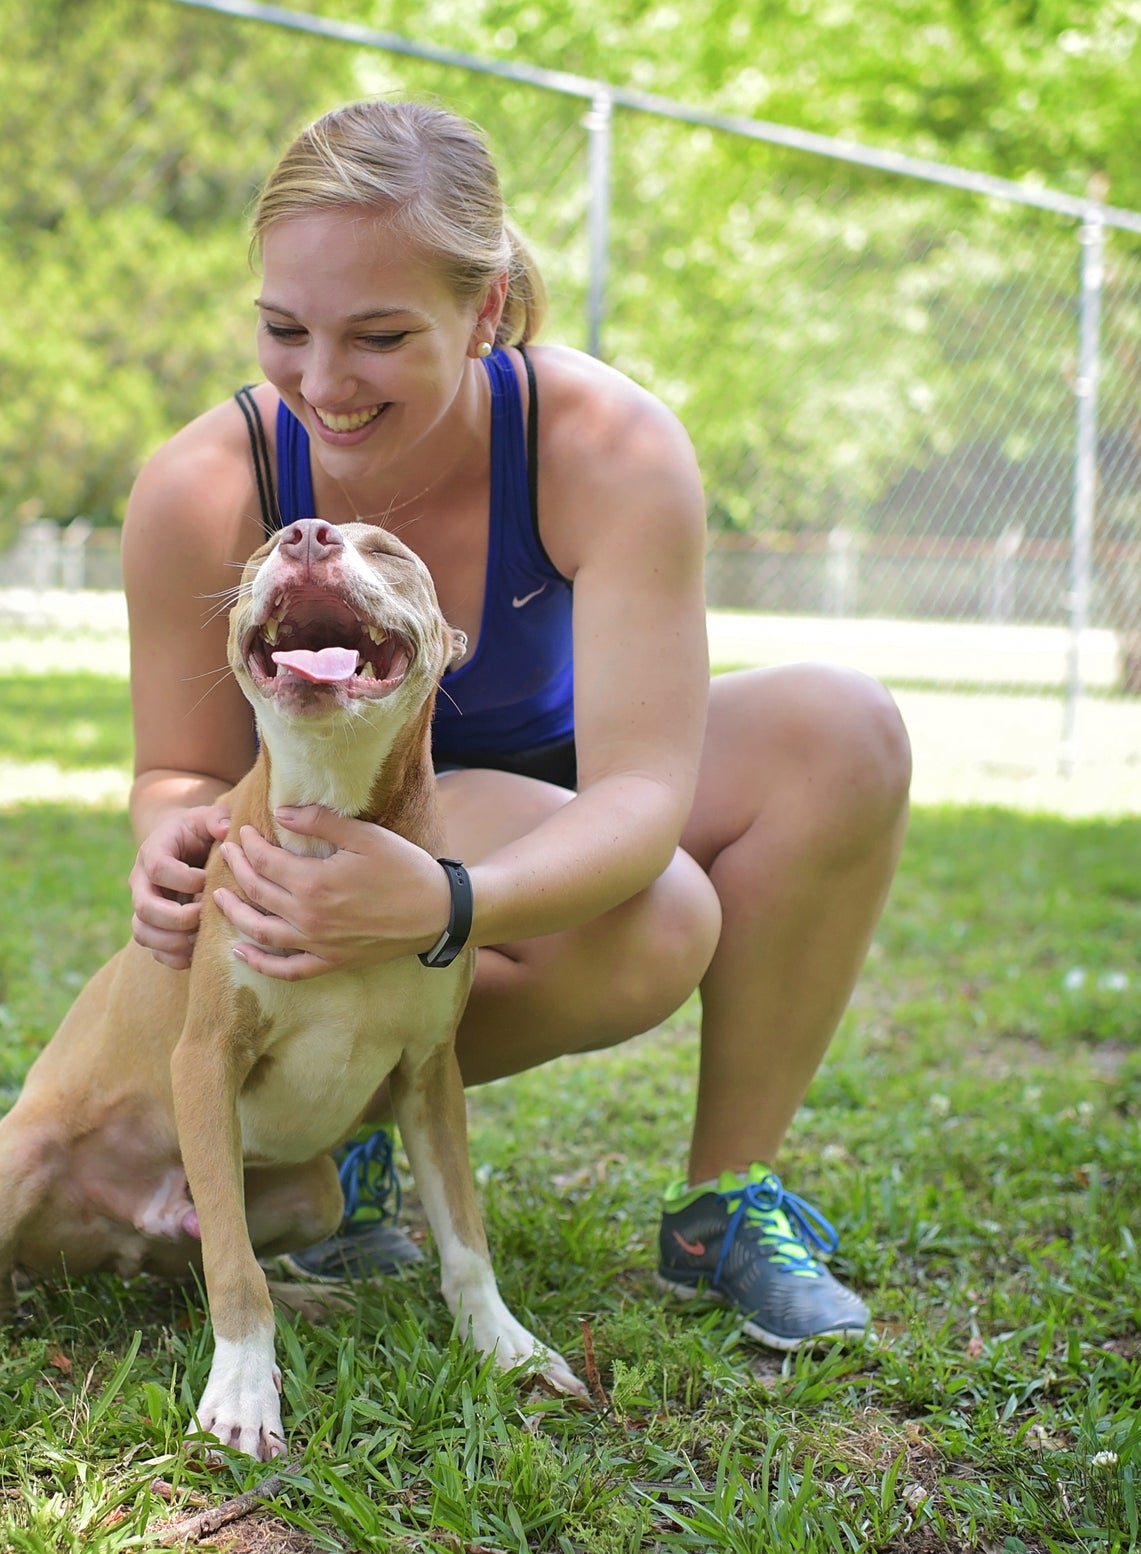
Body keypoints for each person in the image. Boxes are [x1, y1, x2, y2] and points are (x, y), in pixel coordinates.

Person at [121, 99, 911, 1350]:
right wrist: (166, 835)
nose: (321, 384)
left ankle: (724, 1202)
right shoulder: (203, 487)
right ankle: (341, 1142)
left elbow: (641, 794)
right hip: (346, 811)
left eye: (379, 337)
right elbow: (179, 770)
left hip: (513, 807)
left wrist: (445, 904)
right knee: (657, 928)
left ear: (483, 311)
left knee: (842, 732)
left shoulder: (603, 442)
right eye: (283, 330)